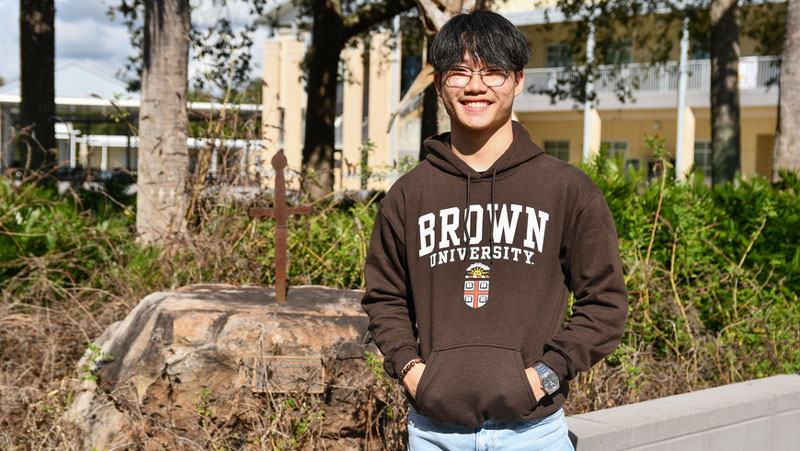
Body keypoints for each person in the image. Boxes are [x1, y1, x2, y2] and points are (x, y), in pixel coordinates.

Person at [361, 9, 628, 450]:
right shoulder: (409, 195)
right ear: (440, 82)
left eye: (493, 72)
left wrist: (544, 375)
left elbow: (605, 304)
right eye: (459, 72)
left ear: (518, 81)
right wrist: (413, 372)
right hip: (432, 433)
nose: (475, 86)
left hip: (534, 435)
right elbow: (384, 298)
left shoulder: (566, 190)